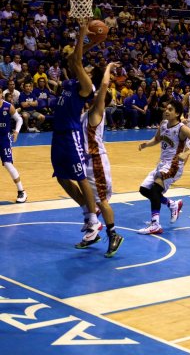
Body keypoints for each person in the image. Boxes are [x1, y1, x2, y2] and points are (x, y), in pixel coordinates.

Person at [51, 20, 103, 245]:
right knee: (62, 178)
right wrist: (88, 41)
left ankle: (93, 221)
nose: (86, 67)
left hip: (71, 135)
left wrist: (82, 35)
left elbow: (78, 61)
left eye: (89, 69)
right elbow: (74, 60)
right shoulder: (74, 82)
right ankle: (88, 211)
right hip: (58, 135)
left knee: (80, 178)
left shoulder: (87, 87)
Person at [76, 61, 124, 257]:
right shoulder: (86, 113)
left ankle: (113, 234)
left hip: (96, 161)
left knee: (102, 201)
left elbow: (103, 86)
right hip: (86, 161)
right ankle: (92, 230)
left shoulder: (97, 110)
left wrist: (108, 67)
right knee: (90, 201)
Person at [137, 100, 190, 235]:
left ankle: (155, 224)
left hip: (173, 165)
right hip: (162, 163)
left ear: (177, 113)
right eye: (166, 108)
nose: (166, 111)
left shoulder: (182, 128)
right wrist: (146, 144)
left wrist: (187, 153)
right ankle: (172, 204)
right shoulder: (162, 124)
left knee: (155, 190)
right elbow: (156, 139)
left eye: (170, 109)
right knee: (144, 190)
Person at [0, 87, 27, 203]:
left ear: (1, 94)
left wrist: (16, 131)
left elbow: (19, 119)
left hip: (4, 139)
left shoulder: (7, 106)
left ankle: (22, 191)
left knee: (8, 164)